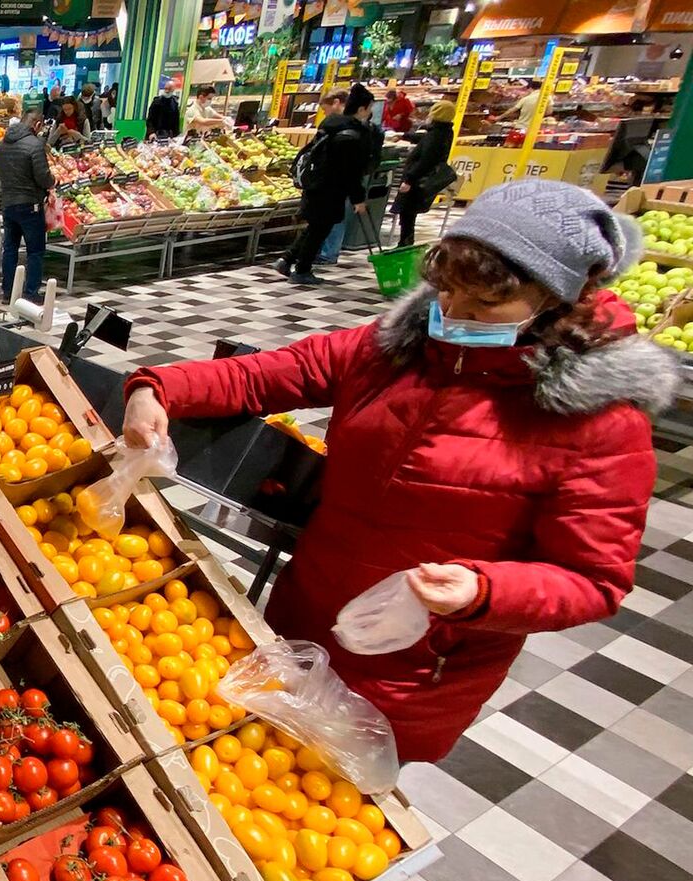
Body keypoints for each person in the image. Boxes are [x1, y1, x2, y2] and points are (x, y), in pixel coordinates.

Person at [122, 180, 676, 763]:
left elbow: (593, 580)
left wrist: (482, 591)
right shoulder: (394, 348)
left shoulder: (599, 422)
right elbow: (271, 373)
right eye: (446, 290)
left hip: (417, 672)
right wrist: (157, 387)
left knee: (328, 815)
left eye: (484, 305)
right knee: (244, 763)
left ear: (558, 301)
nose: (453, 313)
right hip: (303, 621)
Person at [273, 83, 374, 285]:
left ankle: (287, 260)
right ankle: (301, 270)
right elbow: (350, 172)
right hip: (330, 189)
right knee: (319, 230)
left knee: (315, 227)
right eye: (369, 108)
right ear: (361, 108)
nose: (370, 112)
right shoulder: (350, 135)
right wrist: (358, 198)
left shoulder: (330, 126)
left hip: (315, 184)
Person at [0, 107, 55, 303]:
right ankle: (31, 292)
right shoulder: (35, 145)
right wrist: (53, 181)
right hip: (30, 205)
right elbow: (43, 178)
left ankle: (8, 292)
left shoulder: (2, 143)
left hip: (9, 204)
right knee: (35, 251)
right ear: (37, 125)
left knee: (10, 248)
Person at [392, 100, 456, 248]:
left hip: (418, 180)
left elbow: (426, 160)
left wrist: (409, 179)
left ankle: (405, 244)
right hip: (423, 178)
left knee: (407, 211)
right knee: (409, 212)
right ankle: (405, 242)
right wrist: (405, 136)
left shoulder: (436, 134)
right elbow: (425, 140)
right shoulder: (444, 131)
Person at [314, 90, 350, 265]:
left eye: (325, 108)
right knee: (332, 215)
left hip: (334, 180)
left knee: (334, 216)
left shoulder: (339, 125)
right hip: (337, 179)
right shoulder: (352, 123)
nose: (325, 113)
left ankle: (328, 253)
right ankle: (325, 251)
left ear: (336, 102)